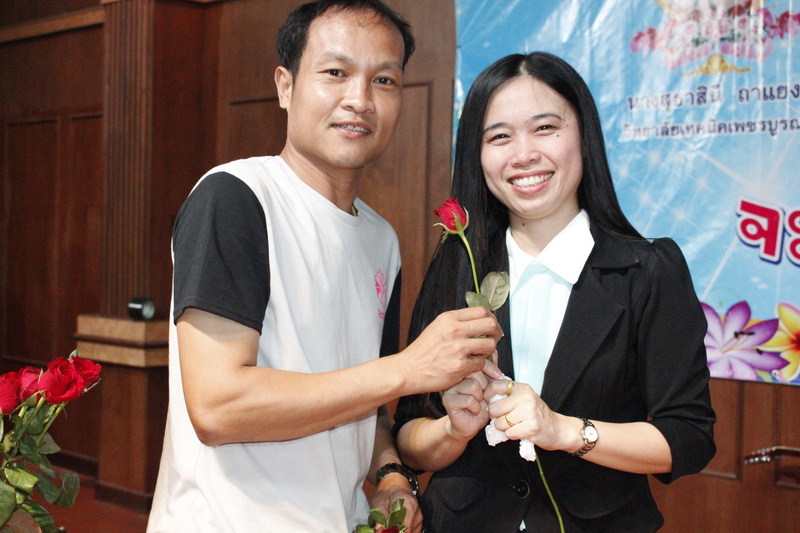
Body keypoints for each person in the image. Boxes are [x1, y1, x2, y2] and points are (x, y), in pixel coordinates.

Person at [146, 2, 503, 532]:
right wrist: (407, 368)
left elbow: (366, 404)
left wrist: (390, 476)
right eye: (335, 72)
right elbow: (217, 407)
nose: (359, 99)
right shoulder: (238, 197)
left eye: (384, 80)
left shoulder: (381, 239)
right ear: (285, 86)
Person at [394, 51, 716, 532]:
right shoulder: (458, 265)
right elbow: (407, 434)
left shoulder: (647, 270)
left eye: (544, 128)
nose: (523, 154)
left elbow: (688, 438)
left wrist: (563, 430)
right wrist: (452, 430)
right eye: (499, 136)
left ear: (584, 136)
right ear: (477, 154)